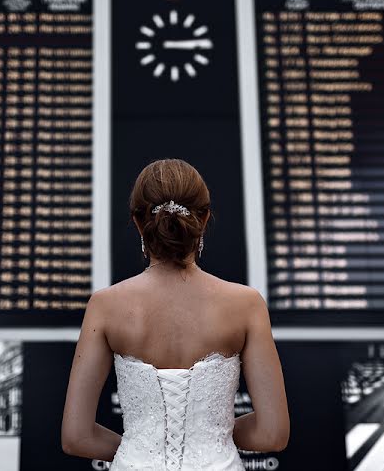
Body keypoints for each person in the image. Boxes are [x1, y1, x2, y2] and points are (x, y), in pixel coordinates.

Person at [62, 159, 290, 469]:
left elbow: (76, 436)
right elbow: (272, 434)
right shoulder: (246, 304)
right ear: (205, 218)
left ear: (139, 222)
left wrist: (141, 445)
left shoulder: (105, 305)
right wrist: (210, 434)